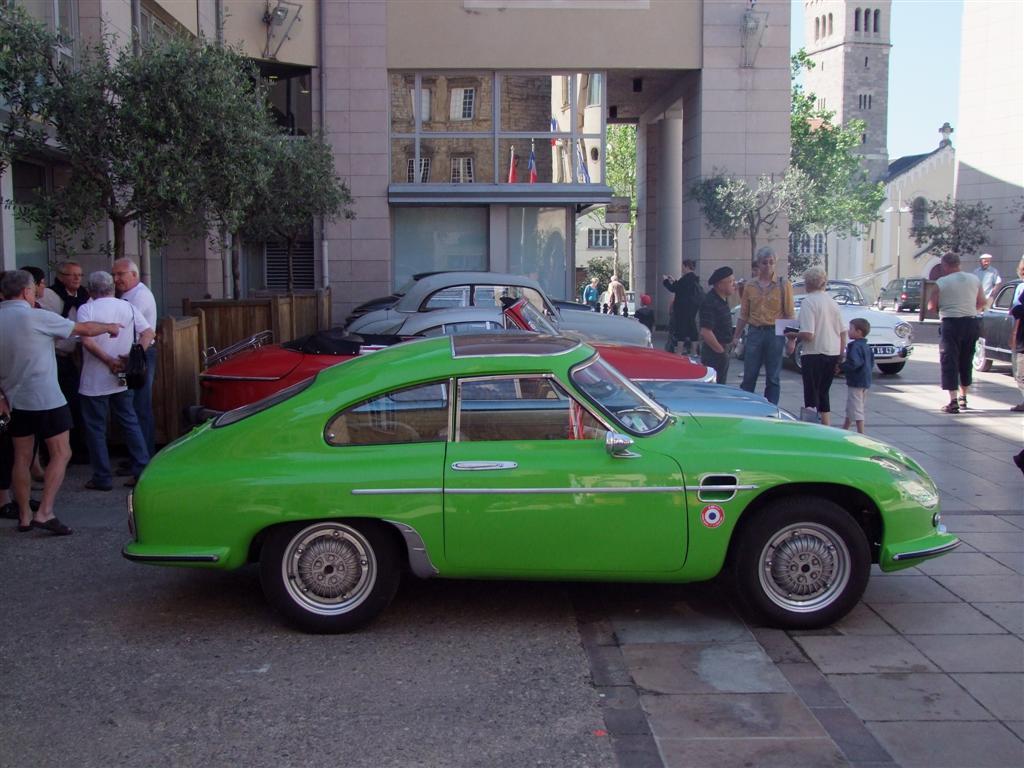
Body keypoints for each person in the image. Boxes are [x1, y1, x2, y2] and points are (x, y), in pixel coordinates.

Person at [0, 269, 122, 535]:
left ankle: (24, 515)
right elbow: (83, 329)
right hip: (46, 397)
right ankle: (45, 512)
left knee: (21, 457)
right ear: (26, 291)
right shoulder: (36, 316)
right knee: (61, 452)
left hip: (13, 399)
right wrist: (110, 327)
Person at [77, 271, 155, 491]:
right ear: (112, 287)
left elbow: (87, 341)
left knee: (96, 428)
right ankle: (141, 470)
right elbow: (148, 333)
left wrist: (108, 360)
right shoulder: (128, 307)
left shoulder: (87, 309)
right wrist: (133, 356)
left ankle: (102, 476)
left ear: (91, 289)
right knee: (129, 420)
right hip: (122, 375)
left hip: (94, 379)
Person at [38, 259, 90, 462]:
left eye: (80, 275)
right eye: (72, 275)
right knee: (55, 405)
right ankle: (52, 453)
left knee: (74, 403)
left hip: (71, 357)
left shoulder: (83, 296)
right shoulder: (49, 296)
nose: (77, 278)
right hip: (53, 356)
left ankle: (76, 448)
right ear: (60, 277)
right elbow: (55, 325)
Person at [732, 246, 794, 405]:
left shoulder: (783, 284)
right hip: (755, 332)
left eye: (771, 262)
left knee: (773, 377)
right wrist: (736, 336)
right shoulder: (750, 286)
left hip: (775, 333)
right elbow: (744, 314)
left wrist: (791, 340)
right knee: (749, 375)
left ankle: (771, 410)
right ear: (758, 264)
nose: (768, 266)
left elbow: (789, 313)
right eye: (764, 263)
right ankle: (746, 409)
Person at [928, 252, 986, 413]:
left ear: (945, 265)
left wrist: (943, 310)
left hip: (951, 324)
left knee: (949, 360)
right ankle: (963, 397)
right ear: (959, 264)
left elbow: (931, 307)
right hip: (971, 323)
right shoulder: (974, 279)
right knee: (966, 359)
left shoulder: (941, 282)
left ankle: (952, 401)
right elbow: (982, 302)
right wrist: (969, 310)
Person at [788, 266, 846, 426]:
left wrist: (793, 335)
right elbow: (843, 332)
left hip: (814, 353)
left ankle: (812, 427)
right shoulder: (833, 303)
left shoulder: (809, 302)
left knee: (811, 395)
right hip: (832, 351)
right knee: (823, 393)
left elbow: (808, 334)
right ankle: (826, 426)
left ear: (808, 283)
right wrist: (841, 356)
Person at [113, 257, 159, 457]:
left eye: (120, 274)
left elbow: (125, 325)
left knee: (138, 405)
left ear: (134, 274)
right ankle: (137, 455)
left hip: (139, 356)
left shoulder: (140, 296)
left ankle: (144, 457)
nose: (116, 279)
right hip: (131, 355)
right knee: (129, 405)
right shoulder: (128, 294)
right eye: (114, 275)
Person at [698, 266, 736, 384]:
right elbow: (706, 331)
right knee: (715, 386)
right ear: (720, 285)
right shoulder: (710, 301)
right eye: (731, 282)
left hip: (724, 349)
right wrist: (721, 352)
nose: (734, 284)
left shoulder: (723, 300)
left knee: (721, 383)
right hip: (714, 352)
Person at [841, 318, 874, 433]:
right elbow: (871, 362)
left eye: (851, 329)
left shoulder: (854, 346)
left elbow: (854, 363)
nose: (848, 331)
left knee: (856, 408)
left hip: (856, 381)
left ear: (859, 332)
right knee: (853, 406)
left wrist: (842, 367)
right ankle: (845, 429)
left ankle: (861, 432)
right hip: (865, 380)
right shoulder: (867, 346)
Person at [662, 260, 702, 354]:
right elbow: (681, 287)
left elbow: (674, 289)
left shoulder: (685, 279)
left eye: (683, 266)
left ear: (687, 266)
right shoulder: (695, 279)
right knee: (692, 328)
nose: (682, 268)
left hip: (682, 308)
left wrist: (666, 281)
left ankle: (679, 351)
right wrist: (674, 281)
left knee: (681, 329)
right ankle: (694, 352)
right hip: (692, 307)